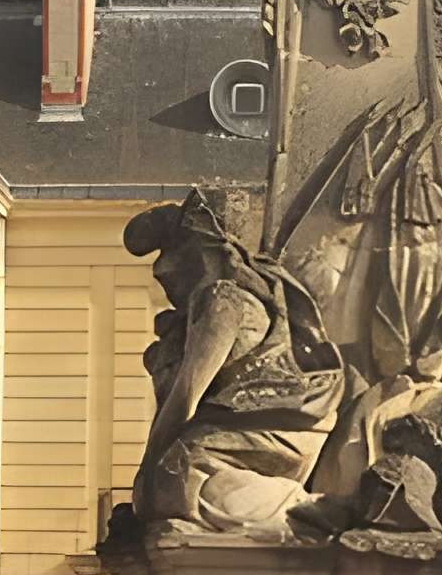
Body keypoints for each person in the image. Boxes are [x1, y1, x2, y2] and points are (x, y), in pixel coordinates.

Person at [125, 191, 343, 532]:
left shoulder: (221, 299)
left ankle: (306, 510)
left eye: (170, 274)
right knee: (168, 482)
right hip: (265, 428)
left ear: (198, 257)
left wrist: (148, 469)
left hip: (268, 432)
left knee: (174, 477)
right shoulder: (248, 296)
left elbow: (187, 395)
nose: (168, 286)